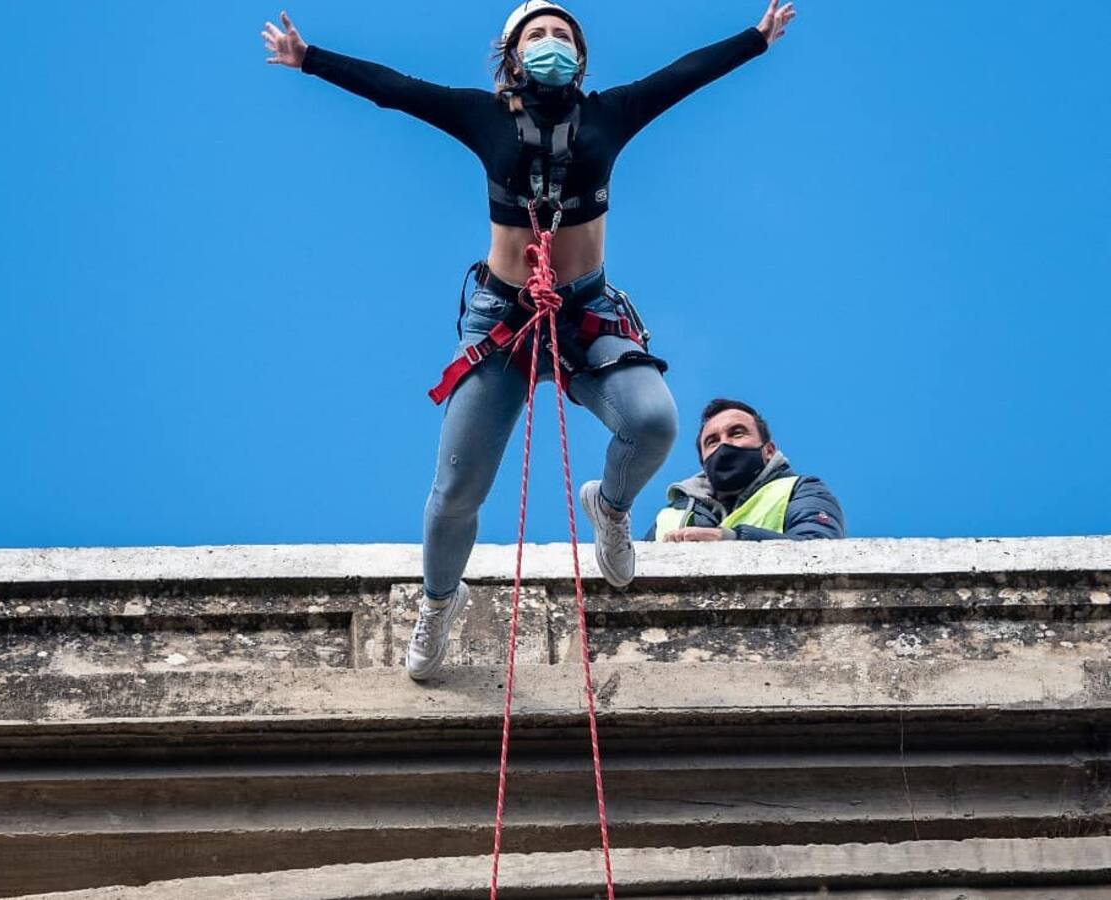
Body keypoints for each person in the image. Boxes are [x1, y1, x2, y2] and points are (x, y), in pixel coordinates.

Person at [263, 1, 798, 679]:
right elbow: (396, 90)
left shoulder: (609, 113)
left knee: (654, 421)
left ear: (580, 55)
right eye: (537, 36)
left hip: (584, 313)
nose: (551, 45)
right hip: (504, 321)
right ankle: (439, 602)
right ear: (512, 56)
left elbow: (684, 75)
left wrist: (754, 39)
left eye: (562, 36)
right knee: (456, 492)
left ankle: (610, 507)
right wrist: (311, 58)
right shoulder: (483, 115)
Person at [650, 398, 845, 542]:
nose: (724, 444)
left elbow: (820, 550)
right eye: (712, 441)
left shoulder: (800, 490)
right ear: (703, 463)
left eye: (736, 433)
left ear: (768, 451)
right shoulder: (670, 515)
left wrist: (732, 540)